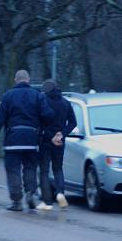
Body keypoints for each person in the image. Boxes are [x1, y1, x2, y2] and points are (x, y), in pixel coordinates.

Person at [0, 70, 54, 211]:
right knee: (30, 167)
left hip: (13, 139)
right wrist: (42, 131)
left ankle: (16, 201)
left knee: (13, 169)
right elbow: (48, 115)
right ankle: (30, 192)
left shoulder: (8, 96)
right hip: (32, 139)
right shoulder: (38, 96)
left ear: (15, 80)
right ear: (28, 80)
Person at [38, 79, 77, 209]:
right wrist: (61, 134)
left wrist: (48, 135)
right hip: (60, 141)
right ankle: (61, 194)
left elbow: (41, 121)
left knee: (44, 170)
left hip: (45, 140)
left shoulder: (43, 101)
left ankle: (46, 201)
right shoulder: (66, 103)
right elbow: (73, 122)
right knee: (58, 168)